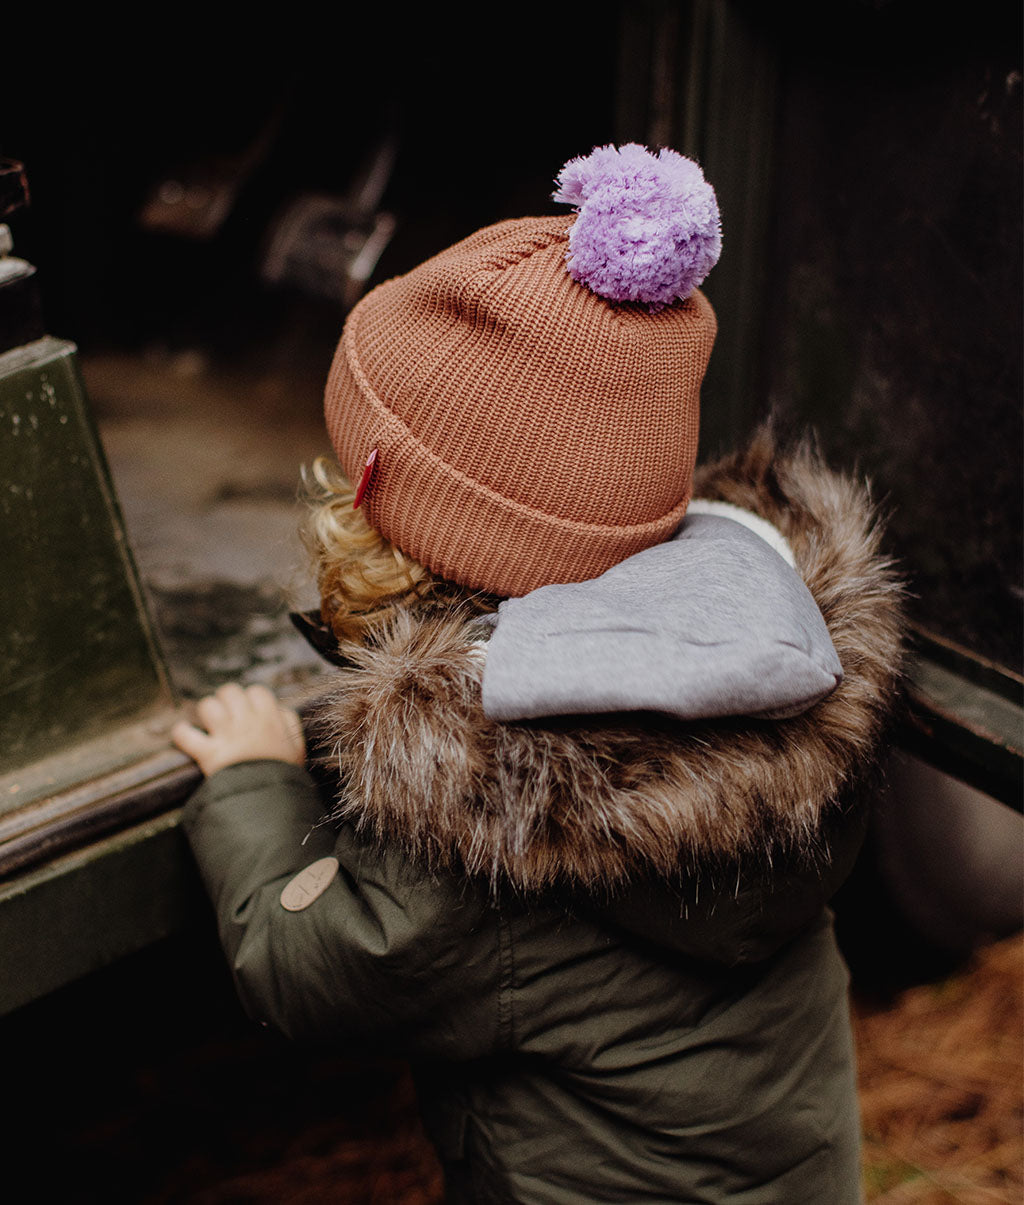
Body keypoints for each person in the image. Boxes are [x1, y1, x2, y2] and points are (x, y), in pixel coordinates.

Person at [172, 143, 904, 1203]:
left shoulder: (502, 828)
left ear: (391, 526)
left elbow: (315, 962)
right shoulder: (772, 679)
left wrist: (253, 781)